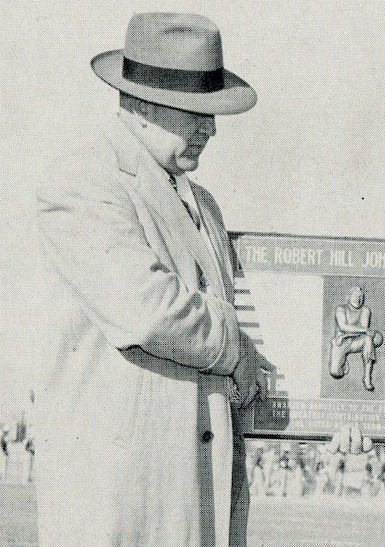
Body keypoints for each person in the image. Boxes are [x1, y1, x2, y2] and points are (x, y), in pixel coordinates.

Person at [32, 13, 267, 547]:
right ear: (139, 105)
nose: (211, 129)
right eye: (197, 114)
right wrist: (238, 350)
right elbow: (148, 309)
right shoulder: (84, 179)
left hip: (197, 505)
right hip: (117, 509)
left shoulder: (203, 204)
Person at [328, 285, 385, 391]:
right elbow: (343, 327)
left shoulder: (365, 310)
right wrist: (350, 334)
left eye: (360, 296)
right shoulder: (341, 309)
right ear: (348, 297)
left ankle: (367, 378)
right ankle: (343, 360)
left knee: (369, 339)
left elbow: (364, 329)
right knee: (335, 373)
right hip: (341, 343)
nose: (358, 298)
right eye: (355, 295)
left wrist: (359, 332)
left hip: (356, 341)